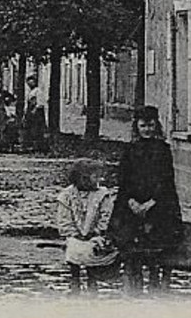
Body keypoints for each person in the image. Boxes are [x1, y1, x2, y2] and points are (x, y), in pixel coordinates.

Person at [108, 106, 183, 291]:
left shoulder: (163, 150)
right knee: (127, 234)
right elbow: (124, 180)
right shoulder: (129, 150)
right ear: (137, 127)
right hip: (131, 202)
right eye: (143, 126)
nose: (147, 130)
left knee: (158, 236)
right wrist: (131, 201)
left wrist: (151, 203)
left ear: (156, 126)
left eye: (151, 125)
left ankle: (156, 277)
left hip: (158, 202)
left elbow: (166, 180)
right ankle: (133, 276)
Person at [56, 162, 119, 292]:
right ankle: (75, 282)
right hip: (75, 237)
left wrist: (97, 231)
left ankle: (93, 283)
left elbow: (106, 216)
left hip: (95, 236)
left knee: (95, 251)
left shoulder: (102, 194)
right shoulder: (66, 195)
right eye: (94, 177)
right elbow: (64, 219)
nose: (98, 180)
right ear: (83, 178)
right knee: (74, 248)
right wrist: (75, 233)